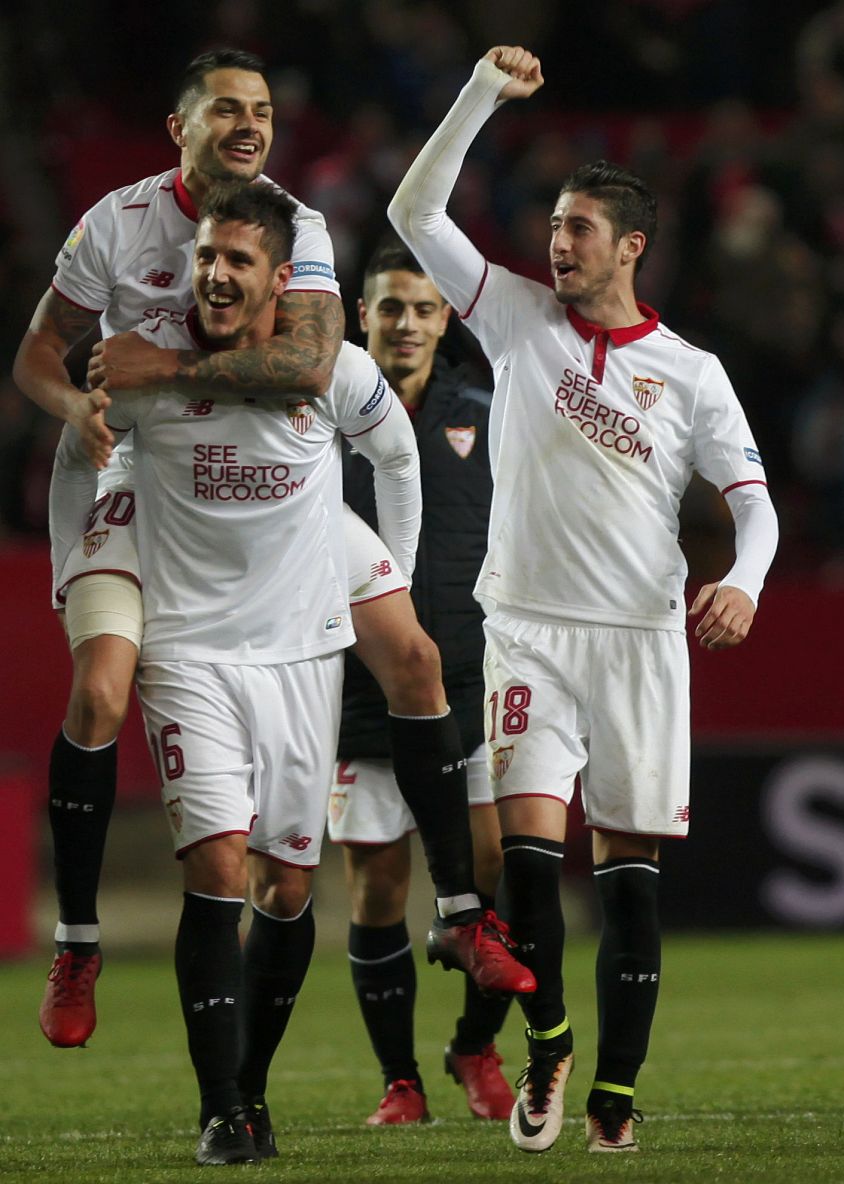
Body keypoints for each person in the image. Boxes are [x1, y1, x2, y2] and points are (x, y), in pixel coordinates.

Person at [15, 49, 527, 1049]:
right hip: (139, 477)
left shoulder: (294, 222)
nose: (250, 126)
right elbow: (41, 347)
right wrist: (77, 403)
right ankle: (77, 940)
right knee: (101, 693)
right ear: (180, 128)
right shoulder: (114, 227)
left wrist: (160, 361)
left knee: (416, 656)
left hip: (278, 490)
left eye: (261, 110)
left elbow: (304, 361)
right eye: (226, 111)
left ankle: (464, 912)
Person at [389, 47, 779, 1153]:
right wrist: (476, 94)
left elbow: (755, 504)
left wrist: (744, 580)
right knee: (523, 865)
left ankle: (614, 1090)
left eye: (580, 230)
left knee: (634, 890)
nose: (558, 244)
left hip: (643, 641)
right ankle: (548, 1042)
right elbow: (414, 208)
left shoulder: (691, 372)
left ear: (631, 247)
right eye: (554, 225)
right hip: (528, 632)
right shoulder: (512, 317)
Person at [51, 183, 423, 1163]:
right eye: (208, 256)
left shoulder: (323, 365)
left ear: (278, 284)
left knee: (290, 889)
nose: (216, 274)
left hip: (300, 649)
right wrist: (72, 569)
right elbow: (73, 448)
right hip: (187, 648)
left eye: (239, 262)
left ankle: (252, 1085)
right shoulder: (135, 358)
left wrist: (394, 572)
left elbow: (395, 447)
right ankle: (221, 1105)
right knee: (216, 863)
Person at [328, 243, 513, 1125]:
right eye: (389, 308)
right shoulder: (320, 421)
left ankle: (473, 1047)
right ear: (361, 316)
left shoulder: (487, 411)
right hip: (359, 696)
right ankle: (398, 1081)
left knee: (495, 875)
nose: (405, 323)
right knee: (377, 889)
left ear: (447, 320)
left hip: (473, 691)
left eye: (423, 309)